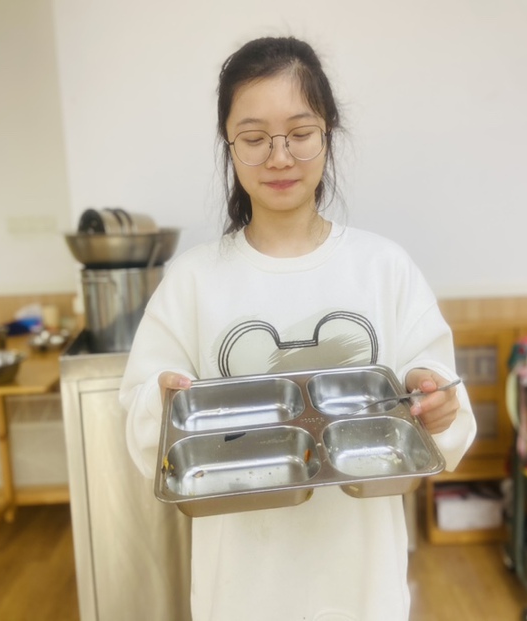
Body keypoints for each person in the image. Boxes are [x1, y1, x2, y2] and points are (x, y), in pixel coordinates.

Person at [119, 35, 476, 621]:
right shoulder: (192, 280)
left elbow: (442, 395)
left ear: (327, 134)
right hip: (241, 589)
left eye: (300, 133)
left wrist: (436, 402)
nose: (279, 157)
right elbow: (137, 414)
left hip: (362, 585)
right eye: (254, 138)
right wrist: (160, 405)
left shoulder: (383, 268)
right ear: (229, 146)